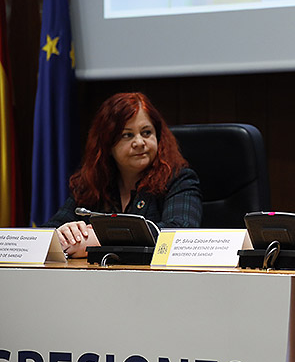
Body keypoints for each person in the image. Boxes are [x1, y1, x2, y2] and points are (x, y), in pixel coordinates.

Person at [43, 92, 202, 257]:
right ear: (107, 144)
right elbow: (44, 235)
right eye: (127, 135)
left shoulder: (179, 179)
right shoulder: (92, 182)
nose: (139, 142)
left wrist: (99, 239)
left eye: (146, 132)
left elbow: (180, 233)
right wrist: (63, 234)